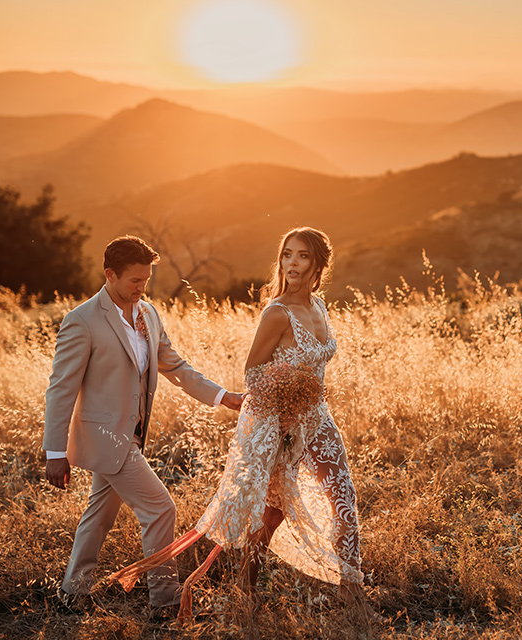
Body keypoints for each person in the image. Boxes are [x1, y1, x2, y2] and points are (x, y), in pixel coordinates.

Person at [108, 227, 378, 621]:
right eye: (287, 254)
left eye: (302, 256)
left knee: (344, 498)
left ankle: (353, 593)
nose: (292, 263)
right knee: (271, 512)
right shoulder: (276, 312)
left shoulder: (319, 306)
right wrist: (288, 392)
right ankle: (246, 588)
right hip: (276, 420)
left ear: (319, 263)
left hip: (317, 420)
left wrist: (307, 392)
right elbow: (252, 373)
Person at [42, 235, 244, 616]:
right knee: (161, 509)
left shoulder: (148, 314)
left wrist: (223, 397)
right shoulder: (81, 320)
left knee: (98, 515)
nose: (141, 288)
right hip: (104, 437)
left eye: (146, 280)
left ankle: (73, 592)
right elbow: (61, 388)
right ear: (110, 275)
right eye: (134, 280)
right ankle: (165, 601)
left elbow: (176, 367)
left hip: (131, 436)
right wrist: (55, 451)